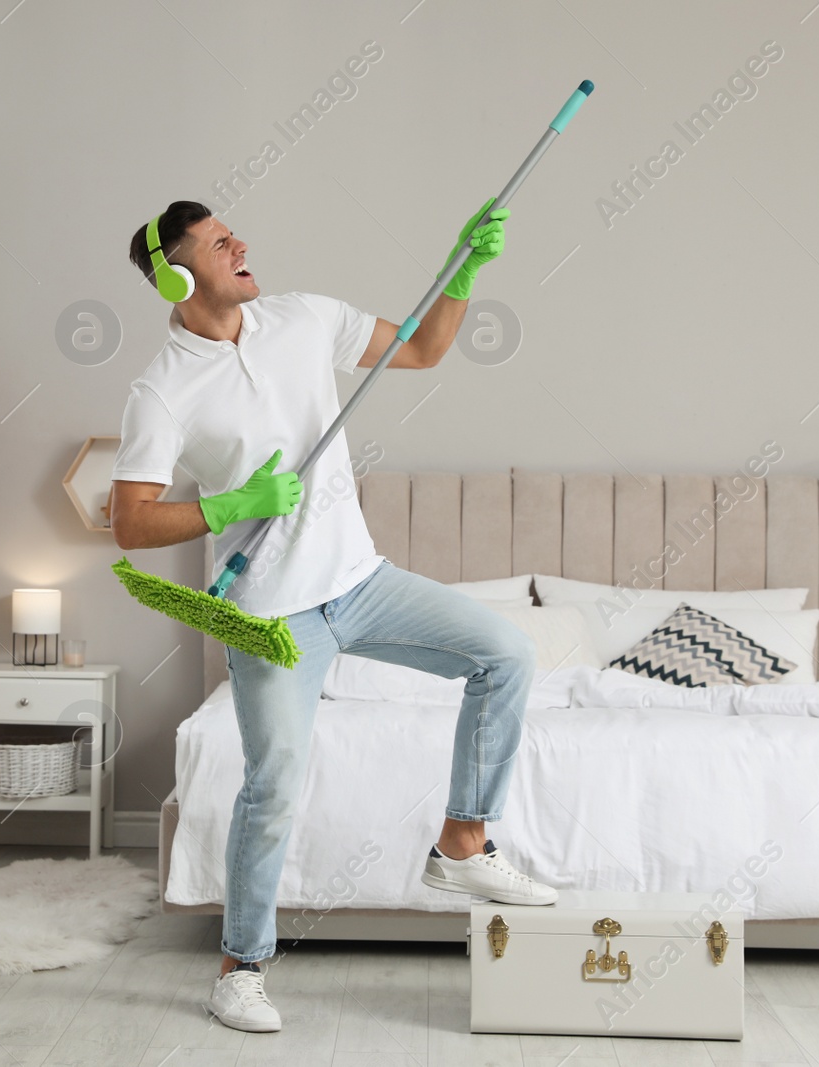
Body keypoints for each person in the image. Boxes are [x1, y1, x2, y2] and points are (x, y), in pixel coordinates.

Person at [109, 198, 556, 1034]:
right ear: (174, 272)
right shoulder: (163, 388)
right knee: (272, 787)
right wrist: (234, 503)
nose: (241, 243)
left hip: (359, 579)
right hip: (269, 617)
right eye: (217, 242)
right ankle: (241, 967)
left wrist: (466, 268)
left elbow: (421, 347)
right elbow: (130, 521)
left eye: (234, 231)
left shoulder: (304, 319)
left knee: (506, 653)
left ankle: (462, 841)